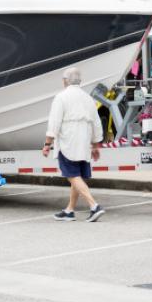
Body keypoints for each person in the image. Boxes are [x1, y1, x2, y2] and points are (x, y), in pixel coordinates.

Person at [43, 67, 105, 223]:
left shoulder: (61, 97)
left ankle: (94, 206)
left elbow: (54, 122)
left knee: (72, 175)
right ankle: (69, 210)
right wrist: (95, 144)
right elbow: (96, 123)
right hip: (84, 141)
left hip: (68, 141)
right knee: (77, 175)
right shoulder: (88, 98)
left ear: (65, 80)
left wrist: (47, 143)